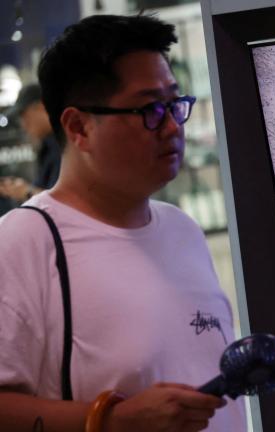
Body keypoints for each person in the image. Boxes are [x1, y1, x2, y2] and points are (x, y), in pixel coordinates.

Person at [0, 14, 246, 432]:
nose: (171, 127)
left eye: (174, 103)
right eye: (150, 109)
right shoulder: (24, 242)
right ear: (78, 127)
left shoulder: (181, 229)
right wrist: (110, 420)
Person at [0, 83, 62, 203]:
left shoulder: (65, 145)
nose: (23, 124)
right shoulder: (48, 147)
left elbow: (64, 203)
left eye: (24, 115)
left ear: (41, 107)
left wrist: (26, 191)